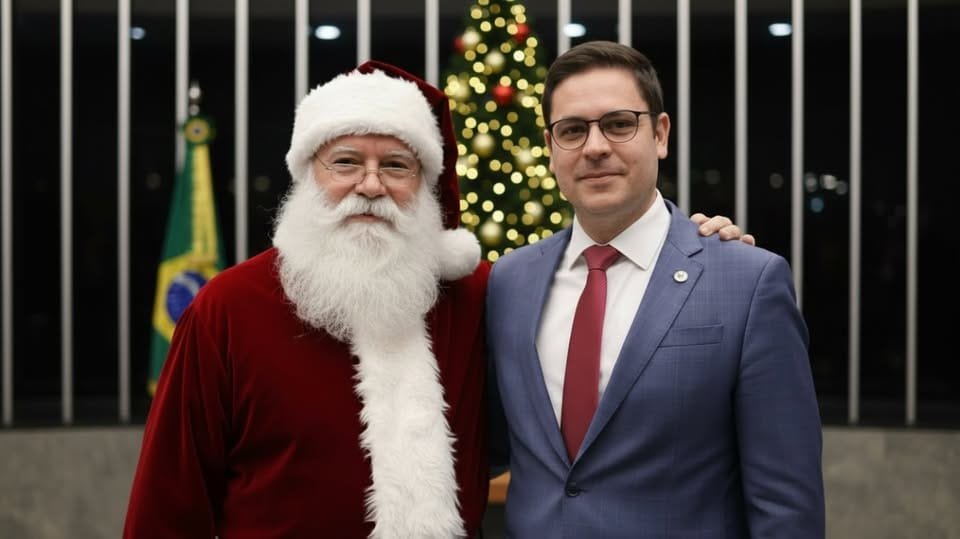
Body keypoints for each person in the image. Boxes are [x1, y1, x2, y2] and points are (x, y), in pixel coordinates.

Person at [124, 60, 749, 538]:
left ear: (425, 187)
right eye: (345, 161)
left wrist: (697, 247)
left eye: (396, 166)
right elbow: (168, 501)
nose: (369, 185)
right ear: (308, 174)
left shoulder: (480, 296)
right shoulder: (226, 310)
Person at [485, 41, 825, 537]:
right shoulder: (509, 282)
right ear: (551, 147)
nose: (595, 147)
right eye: (573, 130)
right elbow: (483, 446)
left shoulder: (747, 282)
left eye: (619, 124)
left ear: (660, 134)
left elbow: (786, 504)